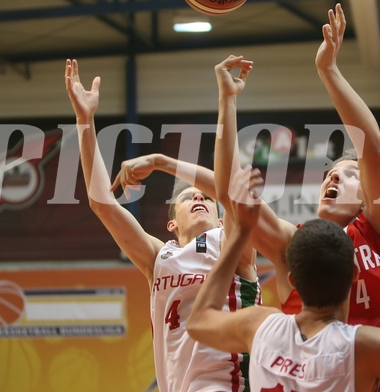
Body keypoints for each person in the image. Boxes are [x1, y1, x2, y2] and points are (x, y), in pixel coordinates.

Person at [213, 3, 380, 391]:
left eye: (349, 174)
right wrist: (227, 101)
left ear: (367, 199)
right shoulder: (298, 247)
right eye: (329, 174)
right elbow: (230, 194)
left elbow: (372, 148)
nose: (335, 177)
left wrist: (328, 70)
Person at [187, 168, 380, 392]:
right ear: (354, 276)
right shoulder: (363, 347)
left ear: (292, 280)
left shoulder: (260, 326)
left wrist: (240, 234)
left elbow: (199, 320)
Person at [64, 59, 260, 392]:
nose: (198, 198)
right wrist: (85, 121)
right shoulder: (160, 258)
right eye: (187, 198)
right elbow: (102, 204)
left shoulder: (230, 241)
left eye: (205, 198)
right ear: (170, 223)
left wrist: (227, 100)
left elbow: (227, 187)